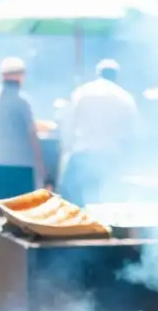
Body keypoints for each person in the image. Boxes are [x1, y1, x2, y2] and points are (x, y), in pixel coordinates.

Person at [59, 59, 138, 206]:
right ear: (116, 76)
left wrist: (68, 149)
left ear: (98, 73)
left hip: (83, 153)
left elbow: (68, 124)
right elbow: (130, 134)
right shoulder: (125, 98)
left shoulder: (82, 92)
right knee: (108, 203)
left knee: (72, 203)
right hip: (111, 156)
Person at [0, 57, 43, 199]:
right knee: (22, 208)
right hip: (21, 164)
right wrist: (40, 163)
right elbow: (32, 133)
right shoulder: (23, 101)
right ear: (21, 77)